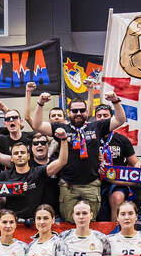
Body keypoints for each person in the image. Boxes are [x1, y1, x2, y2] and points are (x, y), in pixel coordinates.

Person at [26, 91, 126, 221]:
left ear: (87, 112)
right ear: (69, 113)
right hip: (68, 186)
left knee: (90, 221)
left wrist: (115, 101)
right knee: (69, 221)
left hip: (91, 185)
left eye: (82, 110)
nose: (78, 113)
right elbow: (37, 125)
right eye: (75, 111)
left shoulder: (97, 126)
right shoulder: (61, 128)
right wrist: (40, 103)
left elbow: (120, 119)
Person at [0, 127, 69, 221]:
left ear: (28, 156)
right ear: (12, 158)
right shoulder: (5, 175)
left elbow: (61, 161)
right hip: (12, 222)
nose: (19, 155)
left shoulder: (38, 172)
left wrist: (63, 139)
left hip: (35, 222)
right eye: (16, 153)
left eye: (22, 152)